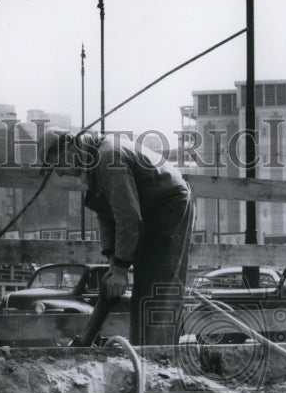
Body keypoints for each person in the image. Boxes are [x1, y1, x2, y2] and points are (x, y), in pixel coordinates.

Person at [44, 130, 195, 346]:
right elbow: (107, 216)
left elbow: (128, 217)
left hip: (169, 208)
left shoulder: (108, 159)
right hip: (150, 209)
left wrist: (122, 270)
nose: (58, 173)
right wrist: (114, 264)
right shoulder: (93, 166)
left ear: (70, 147)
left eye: (58, 165)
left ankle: (158, 359)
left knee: (157, 289)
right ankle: (144, 354)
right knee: (143, 292)